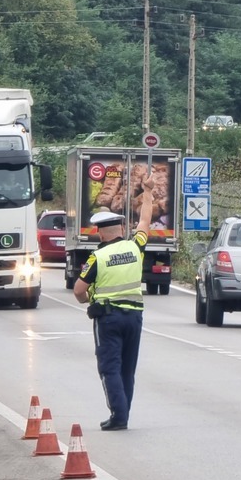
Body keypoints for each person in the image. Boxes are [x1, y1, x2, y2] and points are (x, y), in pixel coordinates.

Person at [73, 174, 154, 431]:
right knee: (127, 369)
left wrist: (88, 299)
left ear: (100, 234)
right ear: (120, 230)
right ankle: (124, 413)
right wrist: (148, 191)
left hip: (108, 319)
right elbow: (145, 221)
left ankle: (118, 416)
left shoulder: (98, 257)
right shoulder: (135, 247)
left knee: (109, 368)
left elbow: (78, 290)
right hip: (134, 318)